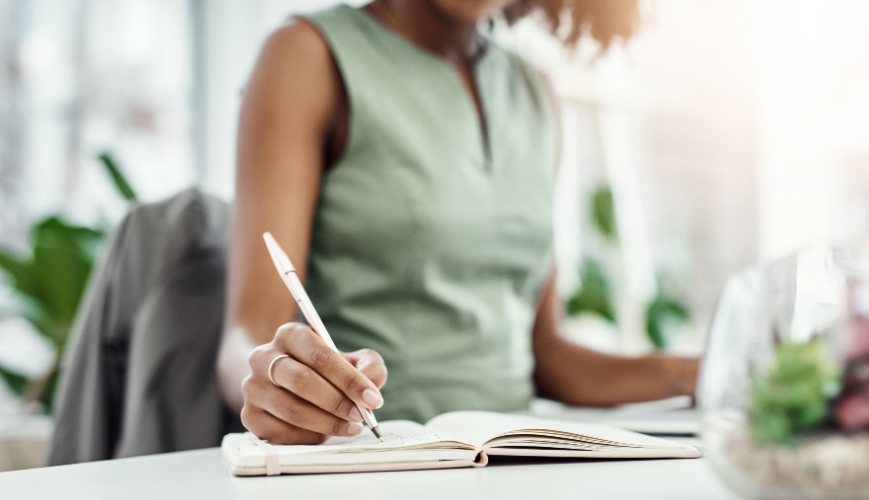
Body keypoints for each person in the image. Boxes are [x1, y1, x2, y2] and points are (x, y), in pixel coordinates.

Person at [216, 0, 700, 445]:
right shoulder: (306, 56)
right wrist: (273, 377)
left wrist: (690, 372)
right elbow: (246, 338)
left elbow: (545, 352)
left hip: (517, 457)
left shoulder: (536, 92)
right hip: (376, 456)